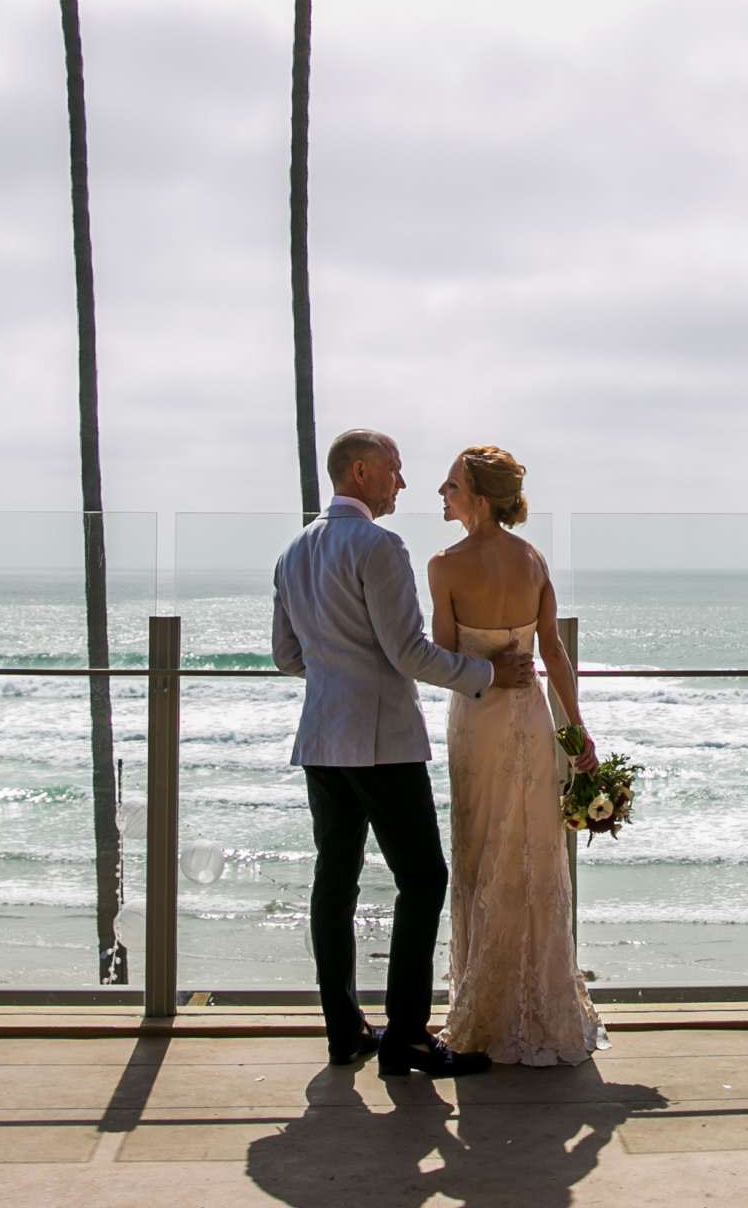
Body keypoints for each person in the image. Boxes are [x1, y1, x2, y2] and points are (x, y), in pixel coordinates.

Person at [273, 428, 536, 1078]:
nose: (403, 482)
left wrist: (335, 667)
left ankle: (344, 1030)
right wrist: (488, 675)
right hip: (382, 743)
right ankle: (408, 1037)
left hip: (321, 741)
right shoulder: (380, 546)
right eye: (394, 469)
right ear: (360, 472)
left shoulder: (292, 553)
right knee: (423, 879)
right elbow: (408, 653)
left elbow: (286, 657)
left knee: (334, 882)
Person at [427, 445, 603, 1067]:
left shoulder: (445, 566)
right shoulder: (532, 560)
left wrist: (485, 671)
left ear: (477, 496)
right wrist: (576, 729)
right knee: (530, 851)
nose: (441, 495)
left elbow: (447, 663)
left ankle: (485, 1009)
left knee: (480, 848)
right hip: (530, 720)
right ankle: (541, 1004)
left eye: (449, 486)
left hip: (479, 719)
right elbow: (553, 652)